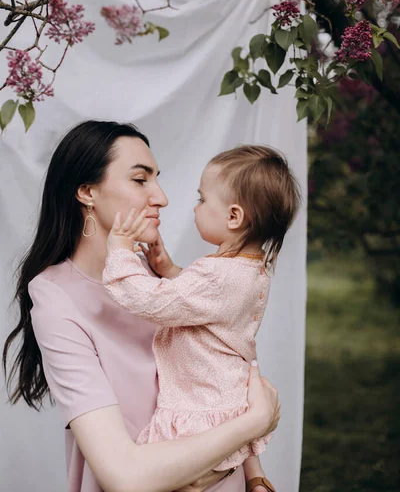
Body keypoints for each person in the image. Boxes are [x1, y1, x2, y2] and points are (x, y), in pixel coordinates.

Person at [2, 120, 280, 492]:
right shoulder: (56, 296)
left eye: (157, 179)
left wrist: (254, 474)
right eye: (140, 180)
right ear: (87, 192)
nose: (161, 197)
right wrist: (255, 421)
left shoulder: (153, 282)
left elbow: (218, 369)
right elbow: (126, 477)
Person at [102, 145, 300, 489]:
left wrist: (120, 252)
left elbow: (152, 302)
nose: (195, 207)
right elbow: (208, 308)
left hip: (199, 416)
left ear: (234, 216)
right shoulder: (251, 272)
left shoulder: (218, 276)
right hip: (224, 405)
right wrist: (169, 269)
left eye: (201, 199)